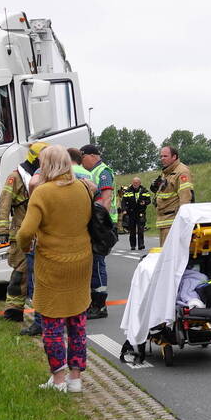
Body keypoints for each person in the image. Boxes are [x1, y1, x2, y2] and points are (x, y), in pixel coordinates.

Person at [16, 145, 93, 393]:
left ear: (47, 165)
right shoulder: (82, 189)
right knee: (77, 321)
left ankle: (58, 380)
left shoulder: (43, 193)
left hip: (53, 264)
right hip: (82, 261)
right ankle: (76, 378)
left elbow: (26, 232)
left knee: (51, 322)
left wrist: (26, 246)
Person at [0, 141, 47, 322]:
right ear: (36, 158)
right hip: (20, 231)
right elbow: (4, 205)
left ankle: (38, 311)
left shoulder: (44, 176)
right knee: (21, 270)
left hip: (41, 232)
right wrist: (2, 231)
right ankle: (13, 310)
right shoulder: (16, 177)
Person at [80, 144, 115, 320]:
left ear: (93, 155)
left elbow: (106, 199)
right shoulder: (90, 172)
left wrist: (100, 224)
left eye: (83, 156)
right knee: (93, 264)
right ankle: (94, 302)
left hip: (101, 224)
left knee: (98, 263)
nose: (81, 160)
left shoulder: (103, 172)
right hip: (94, 222)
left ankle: (100, 305)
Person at [150, 146, 194, 246]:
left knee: (170, 258)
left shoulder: (182, 172)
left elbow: (185, 198)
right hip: (164, 222)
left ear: (174, 157)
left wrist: (182, 222)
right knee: (165, 256)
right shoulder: (166, 172)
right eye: (161, 156)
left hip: (173, 223)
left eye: (165, 156)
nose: (162, 158)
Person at [120, 177, 151, 251]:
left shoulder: (144, 190)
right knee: (132, 230)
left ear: (140, 183)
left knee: (141, 229)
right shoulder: (128, 191)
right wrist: (124, 210)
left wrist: (145, 202)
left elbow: (148, 200)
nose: (135, 184)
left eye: (137, 183)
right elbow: (123, 202)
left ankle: (141, 245)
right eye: (134, 183)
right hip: (131, 212)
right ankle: (133, 245)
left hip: (141, 212)